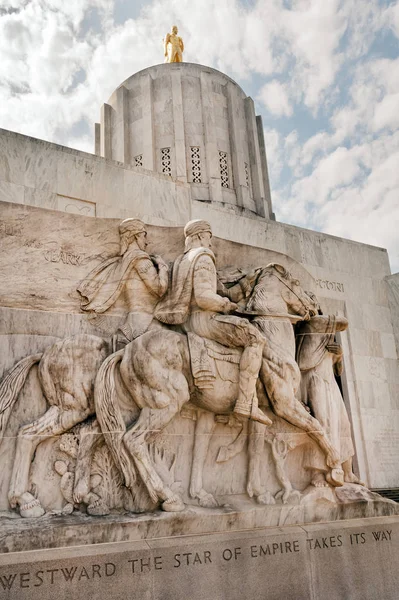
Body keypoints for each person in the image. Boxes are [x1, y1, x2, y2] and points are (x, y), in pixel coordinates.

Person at [155, 219, 270, 425]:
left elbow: (221, 290)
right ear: (199, 235)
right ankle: (245, 402)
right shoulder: (204, 257)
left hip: (186, 323)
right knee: (255, 339)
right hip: (205, 320)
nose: (211, 242)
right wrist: (226, 305)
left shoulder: (183, 260)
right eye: (209, 237)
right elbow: (204, 297)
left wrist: (244, 283)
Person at [77, 218, 168, 346]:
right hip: (145, 322)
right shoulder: (140, 259)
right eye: (144, 236)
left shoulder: (124, 260)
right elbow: (159, 288)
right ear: (136, 236)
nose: (146, 242)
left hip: (132, 321)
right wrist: (163, 267)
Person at [296, 314, 361, 487]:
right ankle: (318, 473)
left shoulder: (328, 337)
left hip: (330, 384)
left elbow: (338, 371)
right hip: (314, 381)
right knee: (321, 423)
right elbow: (302, 364)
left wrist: (339, 355)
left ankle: (347, 472)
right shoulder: (308, 332)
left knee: (343, 424)